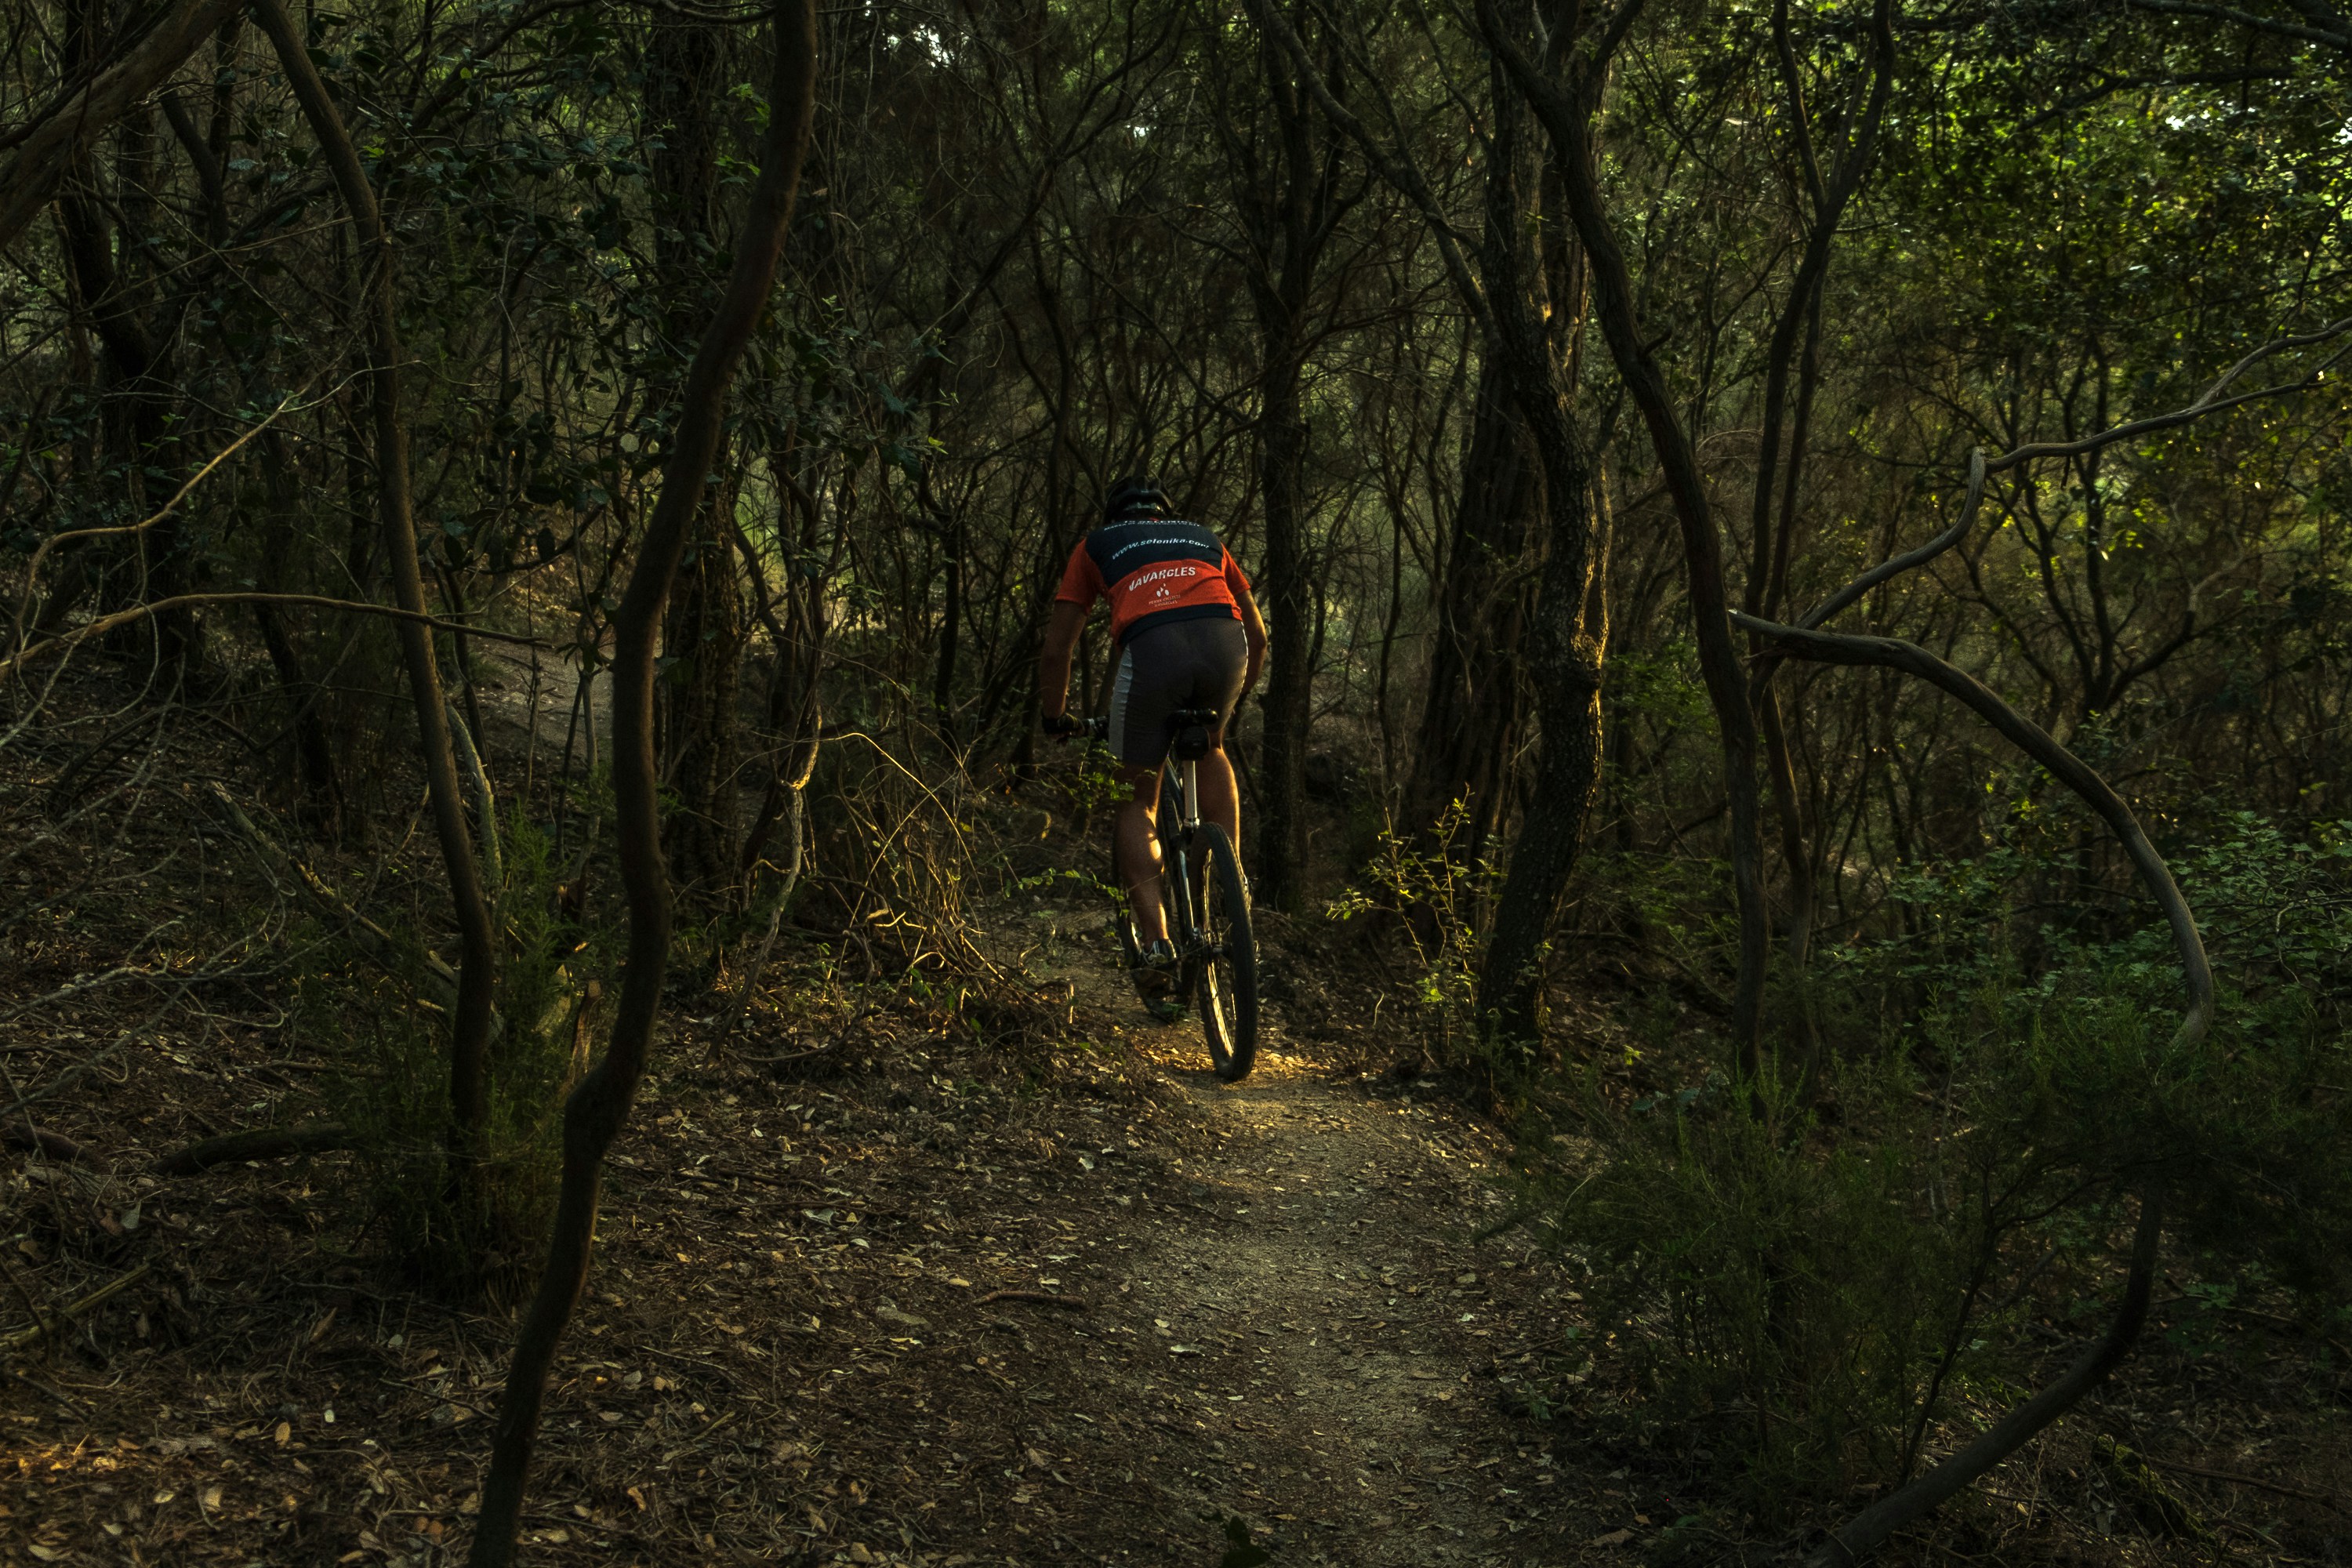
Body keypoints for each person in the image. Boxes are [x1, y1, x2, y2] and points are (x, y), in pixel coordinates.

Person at [1037, 476, 1266, 1001]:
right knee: (1212, 747)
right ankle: (1229, 893)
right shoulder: (1205, 537)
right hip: (1225, 644)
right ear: (1167, 514)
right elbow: (1258, 635)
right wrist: (1231, 703)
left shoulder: (1096, 544)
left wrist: (1056, 716)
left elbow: (1057, 650)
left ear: (1116, 515)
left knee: (1136, 798)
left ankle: (1158, 943)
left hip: (1153, 650)